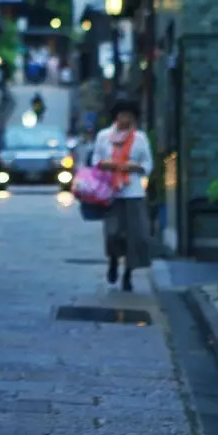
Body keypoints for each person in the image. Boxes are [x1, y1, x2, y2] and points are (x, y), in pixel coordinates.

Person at [91, 97, 154, 292]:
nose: (125, 118)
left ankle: (128, 274)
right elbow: (95, 160)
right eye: (121, 114)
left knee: (136, 236)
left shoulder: (140, 138)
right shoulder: (103, 136)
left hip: (133, 192)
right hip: (111, 193)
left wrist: (132, 166)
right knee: (113, 233)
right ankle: (113, 261)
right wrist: (107, 164)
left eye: (129, 115)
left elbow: (148, 165)